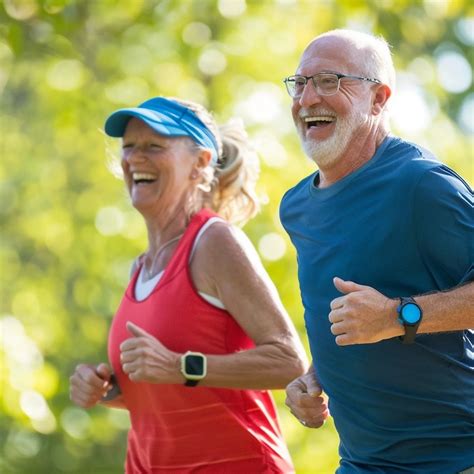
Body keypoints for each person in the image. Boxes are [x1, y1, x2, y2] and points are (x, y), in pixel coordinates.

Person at [69, 96, 309, 473]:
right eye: (129, 147)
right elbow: (171, 391)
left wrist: (183, 366)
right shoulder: (141, 267)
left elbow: (290, 362)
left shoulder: (214, 242)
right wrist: (108, 389)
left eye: (153, 146)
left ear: (199, 165)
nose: (134, 158)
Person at [280, 29, 474, 474]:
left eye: (329, 81)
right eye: (300, 83)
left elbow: (381, 315)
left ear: (379, 99)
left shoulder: (423, 186)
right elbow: (348, 320)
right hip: (361, 463)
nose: (308, 98)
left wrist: (396, 316)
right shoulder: (296, 207)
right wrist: (315, 374)